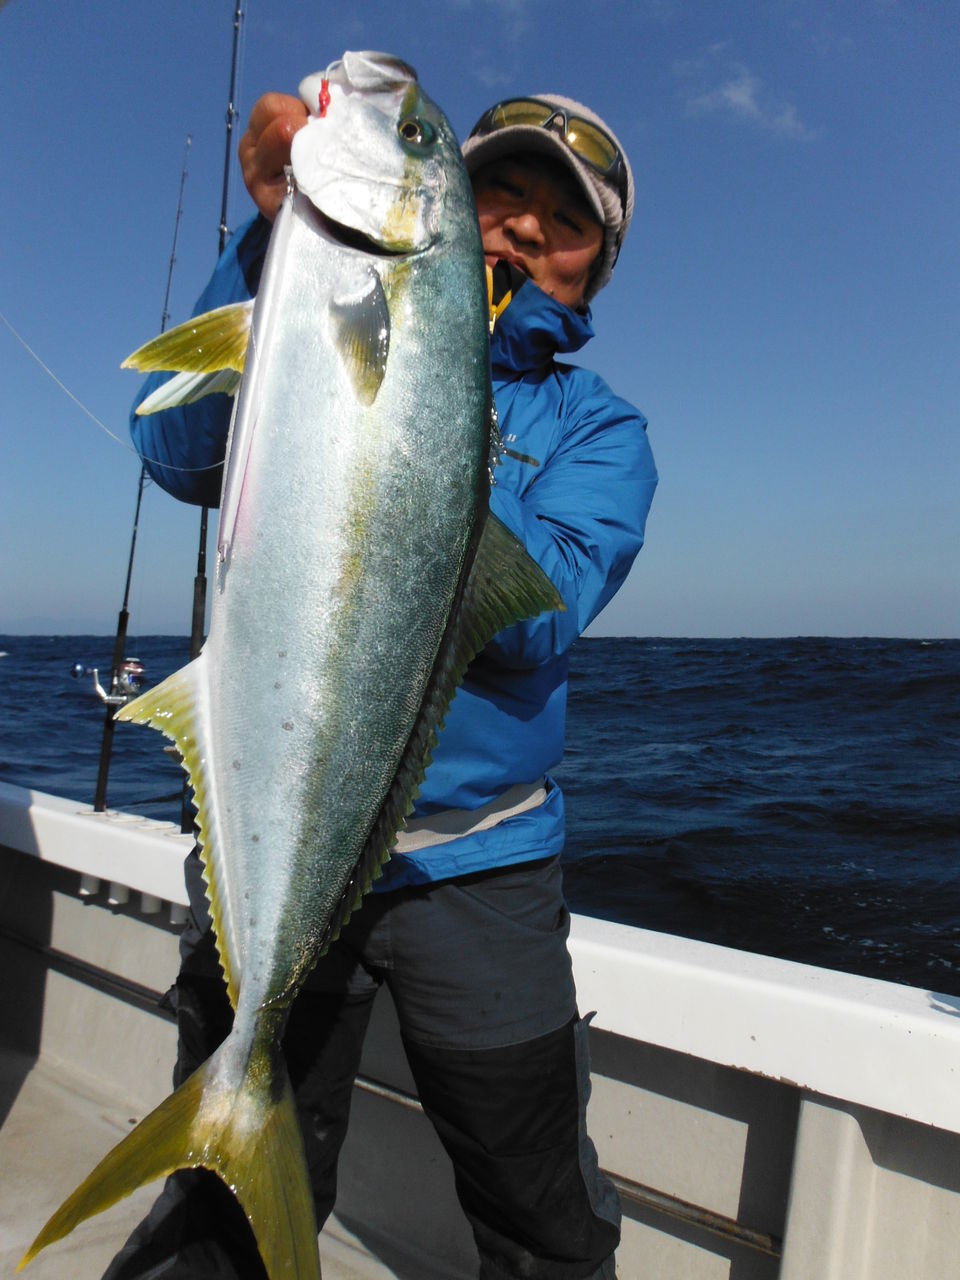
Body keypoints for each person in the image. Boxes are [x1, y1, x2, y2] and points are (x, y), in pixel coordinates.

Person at [106, 79, 657, 1280]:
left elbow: (540, 613)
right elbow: (173, 449)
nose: (523, 224)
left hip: (483, 871)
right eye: (499, 190)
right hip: (275, 842)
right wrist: (273, 244)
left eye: (563, 219)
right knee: (220, 1226)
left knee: (540, 1211)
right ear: (447, 207)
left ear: (595, 268)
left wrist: (433, 404)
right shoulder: (313, 303)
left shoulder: (599, 429)